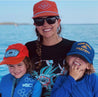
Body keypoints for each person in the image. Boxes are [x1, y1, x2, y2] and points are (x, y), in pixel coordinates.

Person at [25, 0, 75, 96]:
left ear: (58, 22)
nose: (45, 24)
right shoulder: (29, 47)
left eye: (50, 19)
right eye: (39, 20)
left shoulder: (72, 47)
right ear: (35, 24)